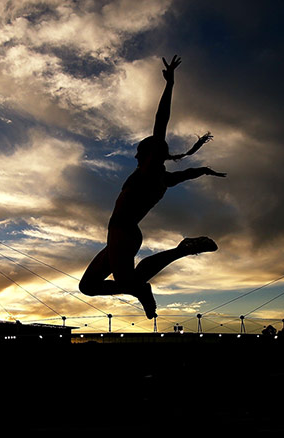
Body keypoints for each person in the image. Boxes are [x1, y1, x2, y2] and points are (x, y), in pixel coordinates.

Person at [79, 55, 226, 319]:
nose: (135, 156)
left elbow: (161, 121)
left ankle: (181, 252)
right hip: (121, 233)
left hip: (123, 232)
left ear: (149, 155)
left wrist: (169, 85)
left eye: (139, 152)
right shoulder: (164, 179)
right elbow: (189, 173)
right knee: (88, 286)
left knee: (127, 282)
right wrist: (203, 170)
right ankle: (140, 289)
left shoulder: (149, 173)